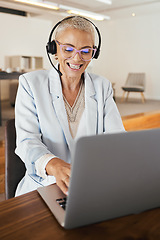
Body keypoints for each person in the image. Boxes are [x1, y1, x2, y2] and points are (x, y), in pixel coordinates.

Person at [15, 16, 125, 197]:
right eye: (68, 49)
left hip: (91, 184)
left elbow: (116, 137)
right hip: (44, 186)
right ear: (54, 50)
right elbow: (27, 141)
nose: (77, 58)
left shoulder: (102, 86)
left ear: (94, 54)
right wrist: (52, 164)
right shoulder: (30, 83)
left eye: (86, 51)